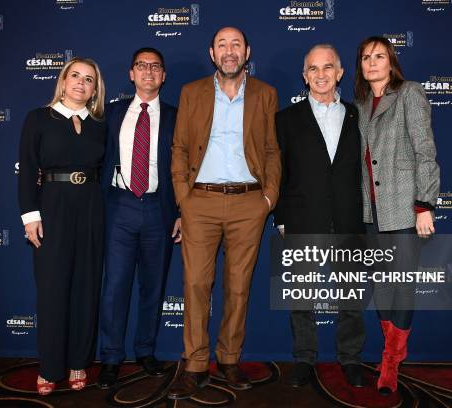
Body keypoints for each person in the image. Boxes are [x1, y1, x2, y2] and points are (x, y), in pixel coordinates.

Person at [168, 26, 281, 400]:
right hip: (200, 201)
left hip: (250, 204)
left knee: (238, 287)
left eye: (236, 45)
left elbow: (270, 151)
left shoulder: (265, 93)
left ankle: (229, 359)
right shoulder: (192, 92)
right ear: (211, 53)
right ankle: (195, 363)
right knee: (196, 285)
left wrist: (268, 199)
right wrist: (184, 199)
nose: (229, 51)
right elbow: (181, 147)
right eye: (222, 45)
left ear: (247, 51)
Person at [274, 44, 366, 388]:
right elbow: (278, 173)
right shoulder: (285, 119)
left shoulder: (360, 116)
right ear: (304, 75)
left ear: (340, 73)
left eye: (328, 67)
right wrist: (281, 218)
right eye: (313, 68)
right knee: (300, 297)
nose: (321, 74)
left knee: (351, 296)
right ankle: (304, 359)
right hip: (301, 218)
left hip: (349, 217)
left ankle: (351, 358)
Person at [354, 36, 440, 395]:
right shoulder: (358, 105)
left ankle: (391, 360)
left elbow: (425, 150)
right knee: (381, 287)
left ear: (391, 61)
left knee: (401, 286)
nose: (372, 62)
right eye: (365, 57)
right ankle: (393, 348)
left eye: (379, 56)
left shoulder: (409, 93)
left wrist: (424, 205)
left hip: (405, 208)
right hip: (370, 211)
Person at [18, 57, 106, 395]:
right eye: (75, 76)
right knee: (53, 291)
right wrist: (30, 216)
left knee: (86, 289)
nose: (81, 84)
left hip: (91, 209)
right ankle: (50, 366)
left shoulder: (100, 124)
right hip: (52, 208)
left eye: (88, 79)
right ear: (63, 80)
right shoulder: (38, 118)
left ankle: (78, 362)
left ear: (95, 88)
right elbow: (27, 169)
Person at [97, 47, 180, 389]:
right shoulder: (111, 113)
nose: (148, 72)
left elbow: (188, 165)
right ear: (131, 74)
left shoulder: (178, 116)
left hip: (160, 208)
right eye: (142, 66)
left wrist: (180, 212)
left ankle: (145, 351)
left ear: (163, 76)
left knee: (153, 286)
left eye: (155, 67)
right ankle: (111, 358)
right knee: (115, 287)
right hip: (119, 207)